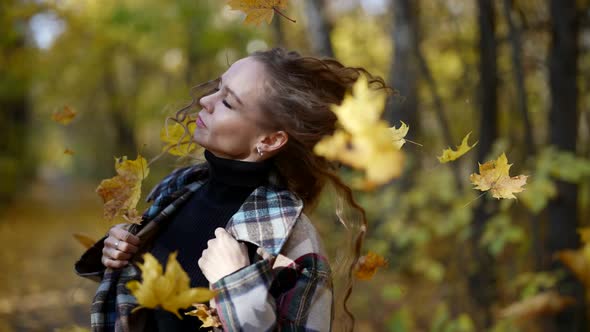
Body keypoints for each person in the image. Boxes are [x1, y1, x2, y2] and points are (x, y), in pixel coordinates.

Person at [75, 48, 389, 332]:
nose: (205, 101)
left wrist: (237, 286)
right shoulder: (177, 191)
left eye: (228, 101)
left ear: (269, 141)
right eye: (218, 88)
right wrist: (121, 252)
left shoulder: (294, 242)